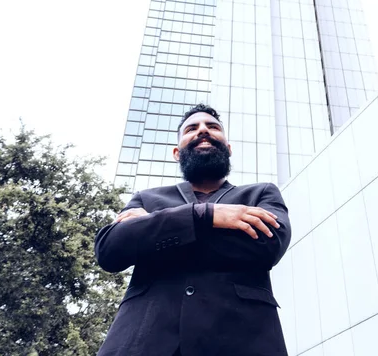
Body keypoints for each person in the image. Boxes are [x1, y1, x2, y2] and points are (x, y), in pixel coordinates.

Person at [95, 104, 291, 356]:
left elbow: (268, 246)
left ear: (228, 149)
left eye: (213, 127)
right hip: (142, 343)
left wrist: (154, 227)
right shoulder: (146, 197)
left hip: (241, 341)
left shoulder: (260, 193)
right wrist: (207, 216)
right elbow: (110, 250)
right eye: (192, 128)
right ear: (177, 152)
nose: (203, 131)